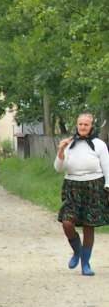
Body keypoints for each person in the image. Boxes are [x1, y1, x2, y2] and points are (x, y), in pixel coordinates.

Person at [54, 112, 109, 276]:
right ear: (76, 125)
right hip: (72, 186)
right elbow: (58, 168)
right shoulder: (69, 144)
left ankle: (86, 263)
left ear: (92, 126)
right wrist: (61, 151)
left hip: (94, 186)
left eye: (86, 124)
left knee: (88, 226)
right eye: (80, 124)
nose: (83, 127)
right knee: (67, 222)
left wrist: (108, 185)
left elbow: (107, 166)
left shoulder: (99, 144)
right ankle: (77, 251)